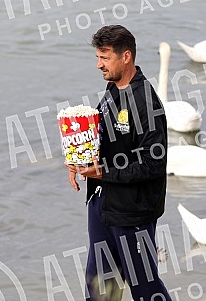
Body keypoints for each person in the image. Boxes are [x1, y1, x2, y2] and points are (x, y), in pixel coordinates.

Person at [65, 25, 172, 301]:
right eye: (98, 57)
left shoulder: (146, 102)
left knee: (146, 291)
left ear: (126, 57)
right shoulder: (112, 90)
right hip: (102, 207)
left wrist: (103, 171)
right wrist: (77, 159)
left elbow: (153, 163)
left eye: (105, 57)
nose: (98, 64)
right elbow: (99, 138)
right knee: (100, 293)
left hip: (133, 214)